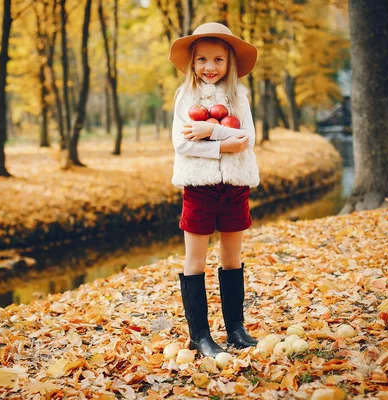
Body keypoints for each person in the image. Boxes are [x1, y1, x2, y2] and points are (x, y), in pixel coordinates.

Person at [169, 22, 260, 358]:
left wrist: (209, 131)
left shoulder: (240, 97)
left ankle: (235, 330)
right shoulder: (185, 97)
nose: (210, 67)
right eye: (203, 59)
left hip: (235, 186)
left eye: (219, 60)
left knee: (232, 259)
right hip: (199, 187)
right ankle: (200, 336)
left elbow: (246, 139)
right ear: (192, 63)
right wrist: (222, 143)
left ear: (230, 62)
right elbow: (181, 143)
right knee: (196, 260)